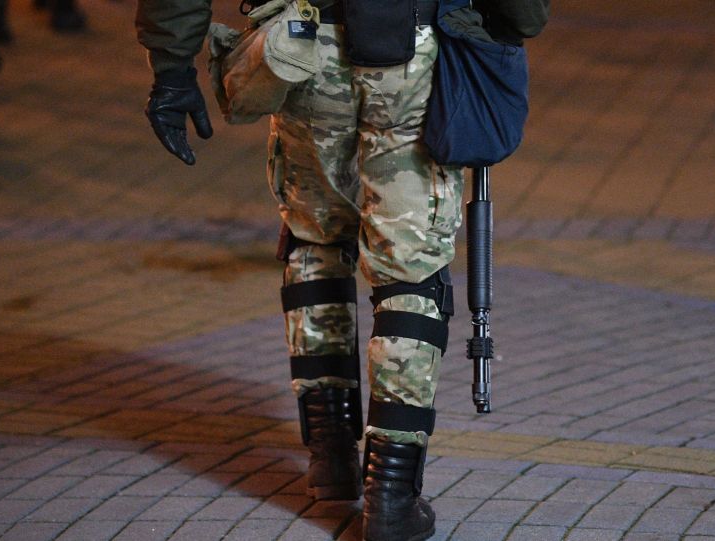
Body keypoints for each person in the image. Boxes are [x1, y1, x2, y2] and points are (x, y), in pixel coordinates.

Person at [136, 1, 545, 539]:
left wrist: (171, 68)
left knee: (315, 241)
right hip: (411, 54)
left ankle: (330, 456)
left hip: (305, 47)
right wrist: (513, 22)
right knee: (409, 270)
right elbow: (521, 16)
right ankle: (391, 494)